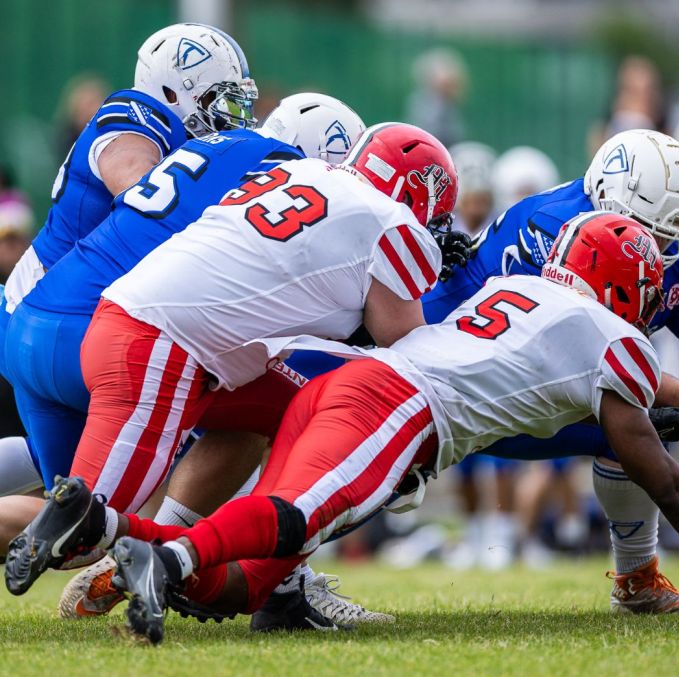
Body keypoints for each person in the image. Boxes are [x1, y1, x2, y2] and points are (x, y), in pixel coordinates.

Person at [21, 211, 679, 646]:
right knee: (293, 518)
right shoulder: (612, 336)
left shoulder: (514, 294)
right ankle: (166, 558)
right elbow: (665, 481)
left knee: (249, 583)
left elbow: (676, 395)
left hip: (349, 387)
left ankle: (107, 528)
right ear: (622, 286)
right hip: (398, 408)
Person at [4, 122, 462, 603]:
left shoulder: (302, 173)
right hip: (159, 348)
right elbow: (410, 359)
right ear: (419, 189)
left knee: (306, 416)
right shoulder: (391, 220)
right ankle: (159, 557)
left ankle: (259, 577)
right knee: (80, 526)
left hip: (134, 325)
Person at [422, 127, 679, 613]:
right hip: (442, 383)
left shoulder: (676, 243)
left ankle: (637, 580)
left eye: (666, 235)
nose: (657, 247)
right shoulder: (554, 230)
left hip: (525, 387)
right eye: (647, 231)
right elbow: (589, 363)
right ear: (606, 203)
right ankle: (281, 577)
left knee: (636, 428)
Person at [0, 22, 258, 490]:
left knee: (63, 487)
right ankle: (191, 551)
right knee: (228, 408)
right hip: (55, 310)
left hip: (70, 315)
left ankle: (171, 550)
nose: (233, 114)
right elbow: (140, 195)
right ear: (171, 89)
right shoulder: (136, 113)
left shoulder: (191, 143)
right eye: (219, 98)